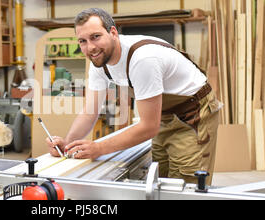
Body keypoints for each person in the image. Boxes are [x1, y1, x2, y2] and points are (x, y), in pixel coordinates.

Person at [45, 8, 222, 185]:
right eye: (82, 41)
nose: (90, 47)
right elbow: (90, 111)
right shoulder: (99, 62)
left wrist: (98, 148)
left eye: (96, 37)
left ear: (112, 32)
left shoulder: (143, 58)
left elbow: (148, 127)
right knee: (160, 180)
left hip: (193, 114)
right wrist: (67, 145)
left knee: (185, 184)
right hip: (163, 115)